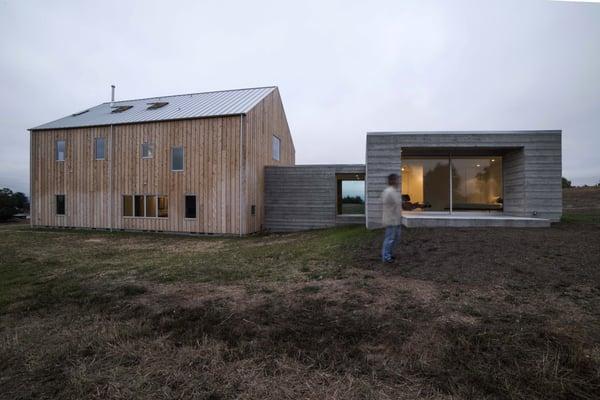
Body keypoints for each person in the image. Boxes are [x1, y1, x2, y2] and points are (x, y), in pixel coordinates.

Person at [381, 173, 402, 263]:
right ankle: (386, 256)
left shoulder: (394, 191)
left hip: (396, 219)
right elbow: (387, 203)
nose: (398, 181)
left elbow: (398, 203)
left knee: (395, 238)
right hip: (391, 219)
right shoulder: (388, 191)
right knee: (389, 239)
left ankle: (388, 253)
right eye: (396, 180)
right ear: (391, 181)